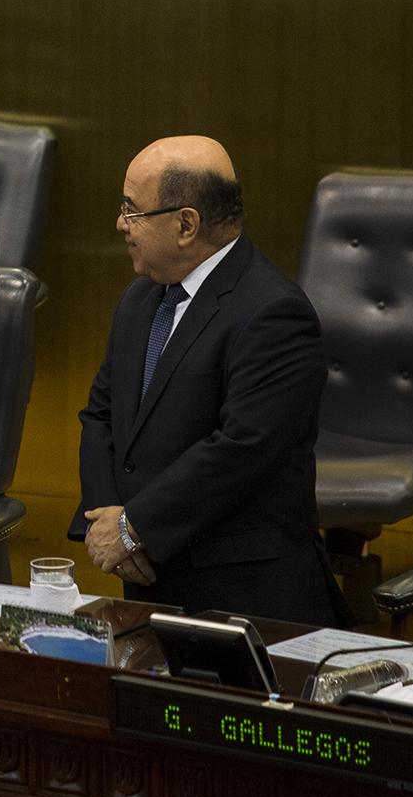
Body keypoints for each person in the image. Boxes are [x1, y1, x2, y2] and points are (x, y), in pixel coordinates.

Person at [71, 135, 349, 625]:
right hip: (149, 578)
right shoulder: (140, 300)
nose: (120, 224)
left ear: (185, 224)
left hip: (245, 597)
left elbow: (241, 448)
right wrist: (106, 517)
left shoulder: (274, 314)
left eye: (132, 210)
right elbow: (100, 414)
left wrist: (135, 526)